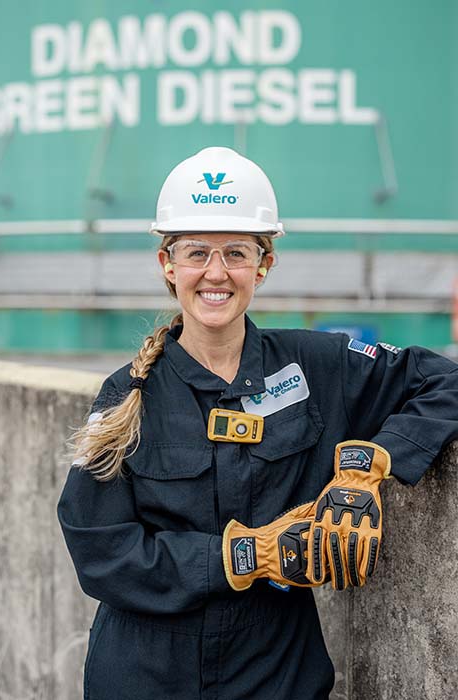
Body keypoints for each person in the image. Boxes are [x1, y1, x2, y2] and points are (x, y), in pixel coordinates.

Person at [57, 146, 458, 700]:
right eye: (197, 253)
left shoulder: (317, 367)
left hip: (277, 675)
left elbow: (444, 381)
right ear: (168, 265)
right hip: (146, 677)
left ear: (263, 265)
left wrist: (369, 466)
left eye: (236, 254)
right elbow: (100, 551)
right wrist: (245, 555)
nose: (215, 274)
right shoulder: (126, 396)